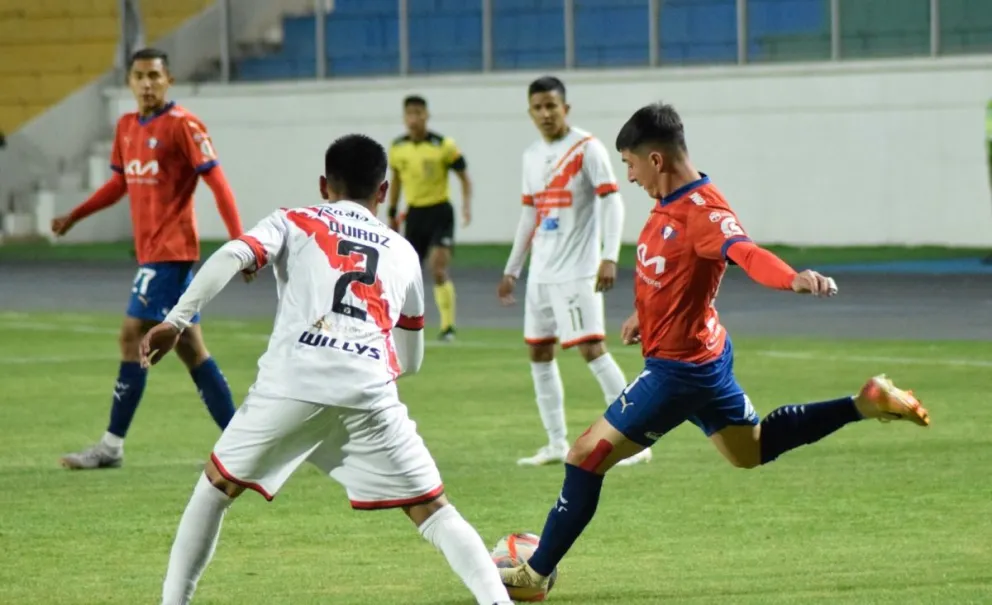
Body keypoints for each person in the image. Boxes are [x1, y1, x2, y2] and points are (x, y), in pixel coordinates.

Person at [497, 102, 932, 600]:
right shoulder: (669, 201)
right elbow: (675, 270)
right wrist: (647, 313)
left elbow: (745, 253)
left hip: (678, 371)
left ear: (655, 160)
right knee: (751, 450)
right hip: (704, 358)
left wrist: (792, 278)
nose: (630, 176)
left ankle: (535, 576)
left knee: (584, 456)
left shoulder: (705, 211)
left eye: (630, 164)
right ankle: (865, 402)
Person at [141, 134, 513, 605]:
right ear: (383, 190)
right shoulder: (402, 252)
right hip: (369, 392)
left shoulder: (294, 220)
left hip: (292, 384)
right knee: (434, 512)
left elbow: (233, 255)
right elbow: (412, 360)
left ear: (323, 184)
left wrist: (175, 321)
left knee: (215, 490)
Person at [52, 48, 246, 470]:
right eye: (139, 76)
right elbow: (119, 185)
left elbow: (218, 182)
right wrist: (75, 215)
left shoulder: (184, 126)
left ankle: (111, 445)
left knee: (131, 333)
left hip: (172, 252)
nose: (146, 84)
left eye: (154, 76)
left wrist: (240, 242)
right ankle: (243, 443)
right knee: (191, 348)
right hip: (152, 252)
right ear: (129, 82)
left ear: (168, 80)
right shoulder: (126, 127)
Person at [498, 76, 648, 468]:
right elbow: (530, 214)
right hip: (541, 274)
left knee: (592, 350)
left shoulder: (586, 148)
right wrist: (513, 268)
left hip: (578, 271)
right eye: (538, 107)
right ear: (530, 112)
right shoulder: (531, 156)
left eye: (552, 105)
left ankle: (636, 440)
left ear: (566, 108)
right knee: (539, 353)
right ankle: (554, 443)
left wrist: (609, 255)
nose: (545, 113)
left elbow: (612, 202)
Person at [387, 94, 473, 342]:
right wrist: (392, 212)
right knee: (407, 273)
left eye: (418, 113)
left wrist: (466, 205)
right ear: (404, 118)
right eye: (409, 114)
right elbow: (397, 180)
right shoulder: (398, 148)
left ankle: (448, 327)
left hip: (439, 212)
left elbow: (464, 176)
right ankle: (402, 323)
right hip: (414, 215)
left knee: (437, 267)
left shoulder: (443, 145)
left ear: (426, 115)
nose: (414, 119)